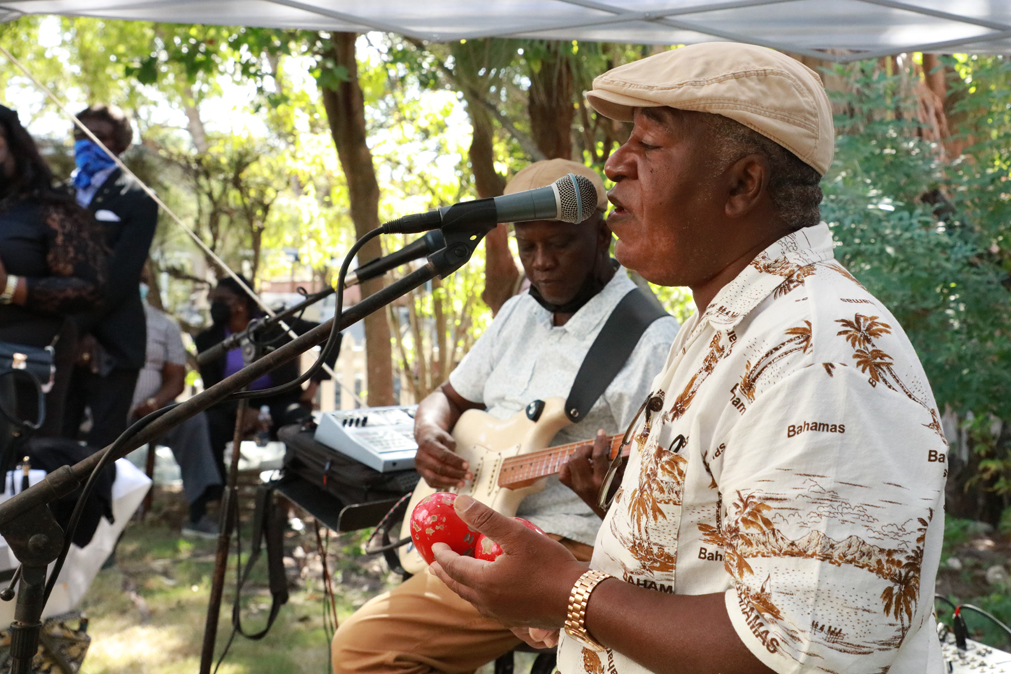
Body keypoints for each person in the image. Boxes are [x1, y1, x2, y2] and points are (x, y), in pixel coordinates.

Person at [429, 44, 948, 674]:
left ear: (741, 184)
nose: (614, 164)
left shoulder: (819, 356)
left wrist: (567, 594)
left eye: (649, 144)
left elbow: (799, 650)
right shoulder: (728, 324)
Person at [330, 158, 681, 674]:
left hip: (568, 546)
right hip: (481, 518)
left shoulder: (653, 341)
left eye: (559, 244)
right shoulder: (519, 311)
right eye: (527, 247)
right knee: (362, 647)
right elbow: (447, 397)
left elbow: (662, 494)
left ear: (602, 234)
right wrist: (429, 433)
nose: (541, 263)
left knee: (364, 653)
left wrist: (604, 494)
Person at [0, 103, 107, 441]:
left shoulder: (49, 210)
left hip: (22, 371)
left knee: (17, 477)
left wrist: (9, 287)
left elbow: (89, 288)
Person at [62, 104, 158, 450]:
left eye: (97, 136)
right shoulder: (58, 195)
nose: (85, 143)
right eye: (79, 135)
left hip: (115, 343)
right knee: (52, 444)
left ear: (120, 144)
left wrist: (78, 327)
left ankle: (98, 505)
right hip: (61, 344)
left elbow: (121, 275)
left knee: (101, 454)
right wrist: (66, 334)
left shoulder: (139, 198)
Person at [195, 274, 338, 481]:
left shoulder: (275, 324)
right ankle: (214, 493)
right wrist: (239, 412)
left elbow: (332, 334)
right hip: (231, 405)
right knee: (207, 426)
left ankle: (295, 486)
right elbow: (211, 391)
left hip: (280, 399)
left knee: (300, 425)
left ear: (241, 303)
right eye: (213, 300)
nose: (214, 306)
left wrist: (313, 386)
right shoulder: (208, 340)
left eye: (221, 300)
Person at [131, 282, 223, 538]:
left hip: (150, 411)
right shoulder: (100, 318)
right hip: (102, 410)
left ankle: (198, 511)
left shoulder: (165, 325)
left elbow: (176, 379)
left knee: (192, 420)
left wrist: (155, 401)